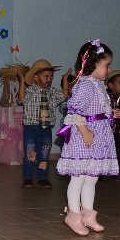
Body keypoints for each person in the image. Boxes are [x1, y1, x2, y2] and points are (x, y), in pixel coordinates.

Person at [56, 40, 119, 235]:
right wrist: (85, 132)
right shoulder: (85, 85)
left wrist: (111, 114)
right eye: (106, 65)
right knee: (78, 178)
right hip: (85, 137)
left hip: (98, 137)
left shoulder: (98, 85)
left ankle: (88, 214)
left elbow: (97, 109)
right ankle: (73, 214)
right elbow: (74, 111)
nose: (109, 69)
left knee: (92, 178)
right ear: (93, 64)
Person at [16, 59, 72, 188]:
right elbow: (21, 98)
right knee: (30, 154)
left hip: (46, 129)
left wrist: (65, 80)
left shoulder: (52, 92)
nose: (49, 79)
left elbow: (64, 96)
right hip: (31, 129)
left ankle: (42, 178)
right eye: (46, 76)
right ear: (36, 77)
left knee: (45, 154)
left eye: (51, 77)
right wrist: (22, 81)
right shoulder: (30, 91)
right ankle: (28, 178)